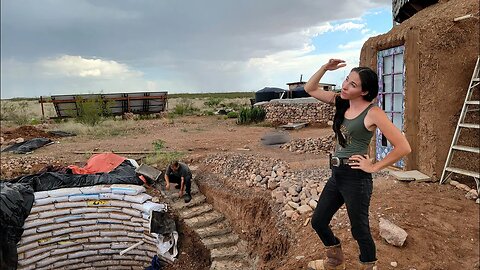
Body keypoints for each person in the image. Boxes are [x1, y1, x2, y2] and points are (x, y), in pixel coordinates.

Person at [304, 59, 411, 270]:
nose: (345, 86)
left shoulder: (373, 113)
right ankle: (335, 261)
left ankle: (368, 266)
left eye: (353, 84)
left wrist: (374, 166)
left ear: (364, 91)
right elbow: (310, 88)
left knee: (359, 229)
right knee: (318, 220)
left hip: (356, 177)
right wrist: (325, 68)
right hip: (337, 174)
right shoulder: (341, 102)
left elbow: (403, 147)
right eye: (346, 80)